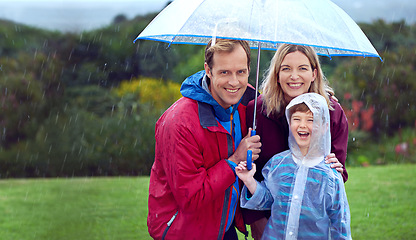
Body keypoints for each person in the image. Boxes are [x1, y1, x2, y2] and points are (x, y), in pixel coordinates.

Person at [147, 39, 262, 240]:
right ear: (208, 70)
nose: (234, 82)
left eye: (241, 72)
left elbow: (286, 109)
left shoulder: (246, 103)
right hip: (185, 232)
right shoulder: (179, 123)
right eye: (224, 72)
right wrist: (235, 160)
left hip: (224, 227)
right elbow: (191, 198)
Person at [245, 44, 349, 239]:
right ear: (277, 74)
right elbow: (251, 171)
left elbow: (336, 176)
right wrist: (256, 221)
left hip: (312, 226)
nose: (294, 76)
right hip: (270, 222)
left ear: (314, 73)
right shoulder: (257, 111)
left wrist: (337, 169)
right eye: (286, 69)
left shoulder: (331, 113)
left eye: (302, 68)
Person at [236, 93, 351, 240]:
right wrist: (249, 180)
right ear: (290, 123)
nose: (302, 125)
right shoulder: (277, 164)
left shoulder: (330, 175)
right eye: (296, 119)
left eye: (311, 120)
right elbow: (267, 200)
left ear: (324, 127)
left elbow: (340, 225)